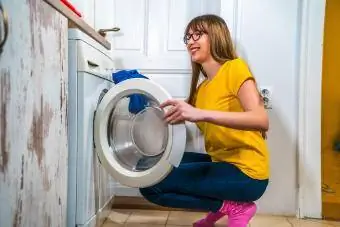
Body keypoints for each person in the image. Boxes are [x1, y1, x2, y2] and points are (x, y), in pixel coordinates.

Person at [139, 14, 270, 227]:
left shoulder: (235, 68)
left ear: (216, 35)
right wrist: (149, 104)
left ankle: (233, 206)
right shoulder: (202, 88)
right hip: (221, 163)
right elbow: (187, 115)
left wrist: (200, 113)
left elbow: (261, 119)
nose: (190, 41)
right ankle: (223, 205)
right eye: (187, 37)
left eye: (197, 34)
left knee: (153, 185)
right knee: (149, 167)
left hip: (247, 174)